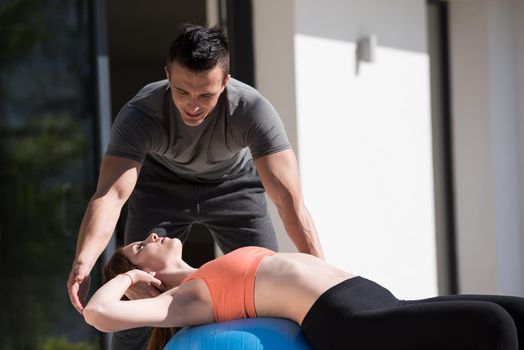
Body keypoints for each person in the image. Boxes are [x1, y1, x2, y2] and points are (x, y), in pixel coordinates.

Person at [67, 23, 324, 349]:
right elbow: (112, 195)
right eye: (181, 92)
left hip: (236, 188)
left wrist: (323, 276)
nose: (192, 106)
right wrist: (83, 261)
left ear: (226, 83)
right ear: (167, 75)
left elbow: (289, 200)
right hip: (161, 188)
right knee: (135, 301)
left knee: (271, 286)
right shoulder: (141, 114)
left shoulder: (252, 110)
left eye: (206, 95)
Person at [84, 232, 524, 350]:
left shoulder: (207, 270)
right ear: (145, 277)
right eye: (141, 247)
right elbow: (97, 314)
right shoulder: (183, 299)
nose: (153, 234)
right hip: (349, 323)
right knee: (491, 325)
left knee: (515, 312)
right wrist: (126, 280)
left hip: (378, 300)